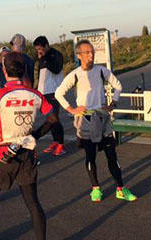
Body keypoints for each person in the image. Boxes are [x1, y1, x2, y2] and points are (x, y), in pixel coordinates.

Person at [0, 52, 58, 240]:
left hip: (4, 153)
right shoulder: (35, 94)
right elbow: (53, 119)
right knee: (32, 201)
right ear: (24, 71)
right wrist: (35, 135)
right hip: (27, 152)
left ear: (4, 71)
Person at [54, 39, 137, 203]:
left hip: (103, 117)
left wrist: (112, 103)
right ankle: (96, 188)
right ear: (79, 55)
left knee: (111, 155)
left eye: (92, 52)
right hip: (85, 120)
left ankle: (121, 188)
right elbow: (58, 93)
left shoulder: (101, 71)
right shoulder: (75, 74)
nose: (91, 55)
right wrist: (72, 110)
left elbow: (118, 86)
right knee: (90, 156)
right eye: (87, 52)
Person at [33, 35, 66, 157]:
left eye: (40, 49)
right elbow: (41, 76)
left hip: (54, 91)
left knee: (53, 119)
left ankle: (60, 144)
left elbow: (56, 69)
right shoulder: (42, 58)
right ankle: (56, 141)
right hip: (43, 92)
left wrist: (44, 59)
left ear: (46, 45)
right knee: (51, 118)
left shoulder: (56, 55)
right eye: (37, 50)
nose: (38, 51)